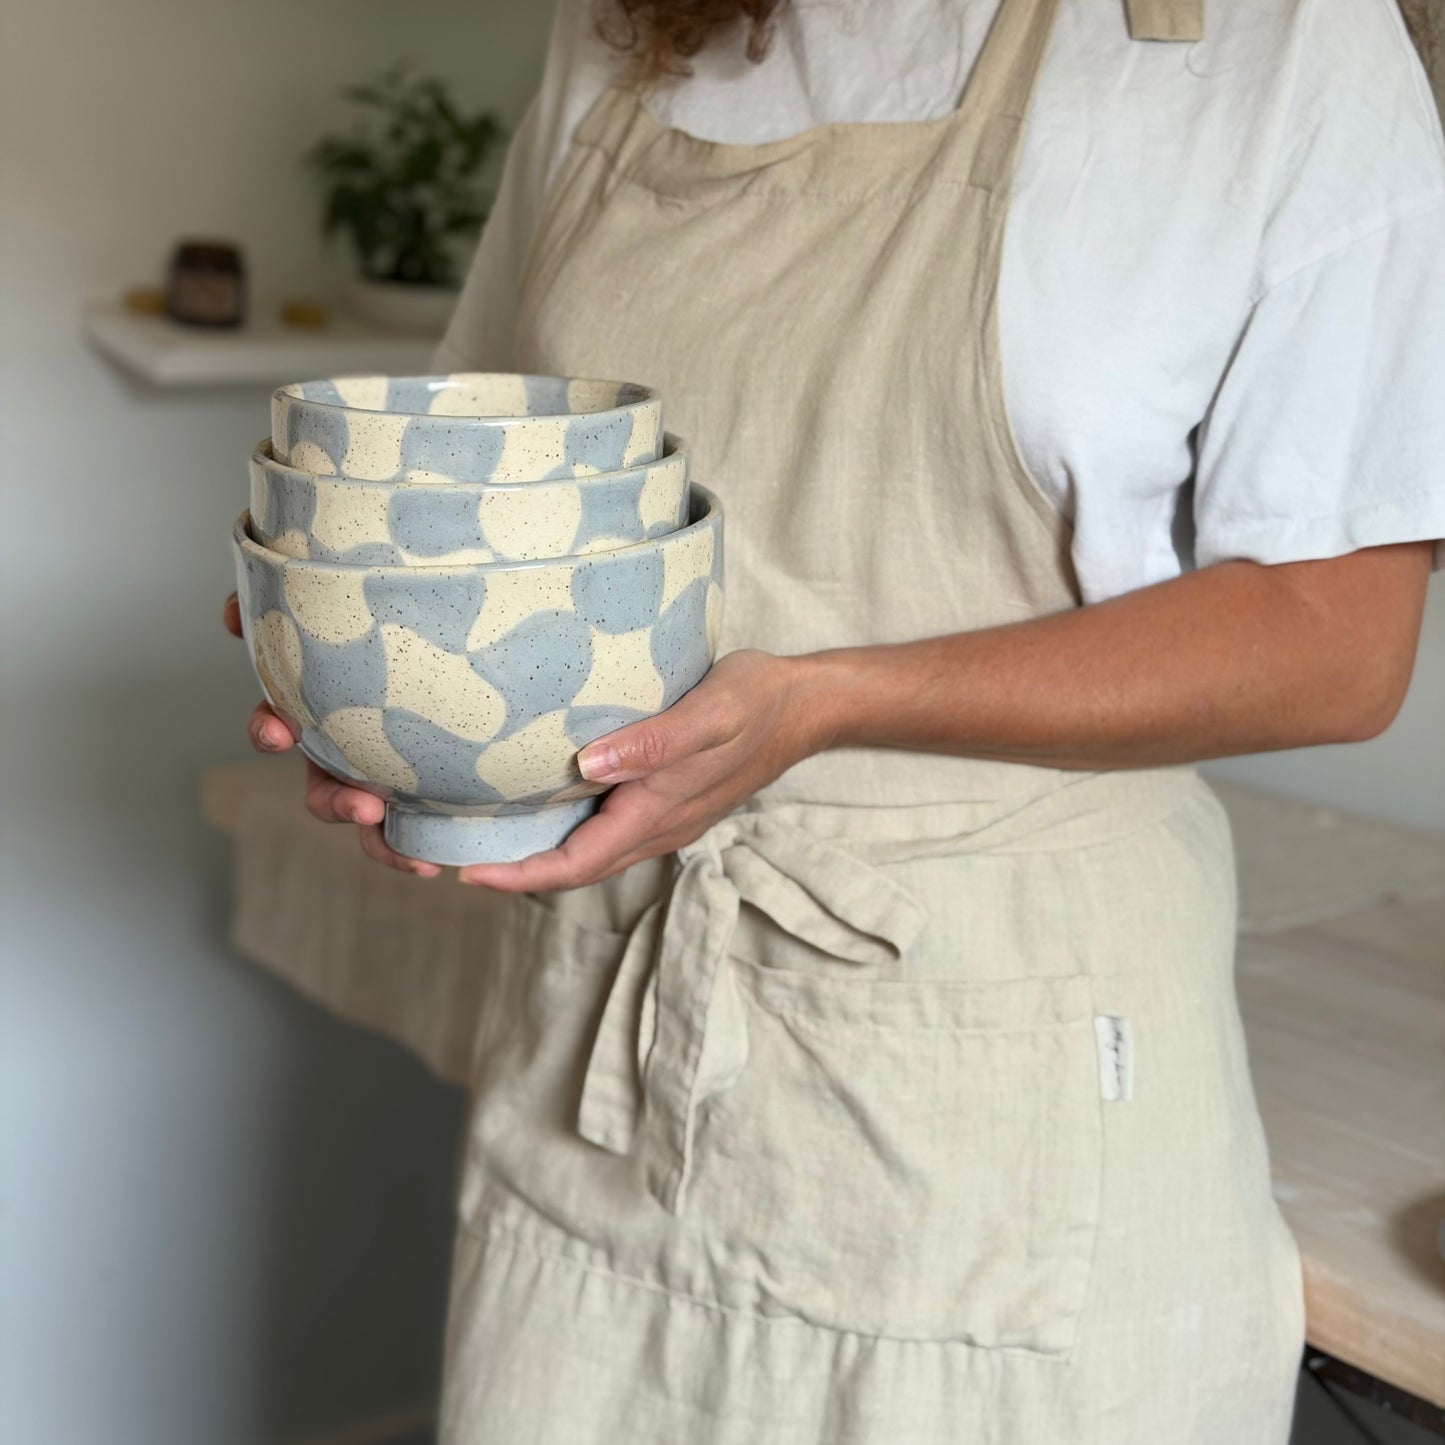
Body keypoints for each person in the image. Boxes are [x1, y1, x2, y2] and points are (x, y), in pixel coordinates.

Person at [225, 0, 1445, 1438]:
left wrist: (823, 701)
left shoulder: (1276, 41)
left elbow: (1333, 642)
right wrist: (379, 658)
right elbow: (479, 452)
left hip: (1005, 1108)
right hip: (598, 1071)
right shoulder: (628, 28)